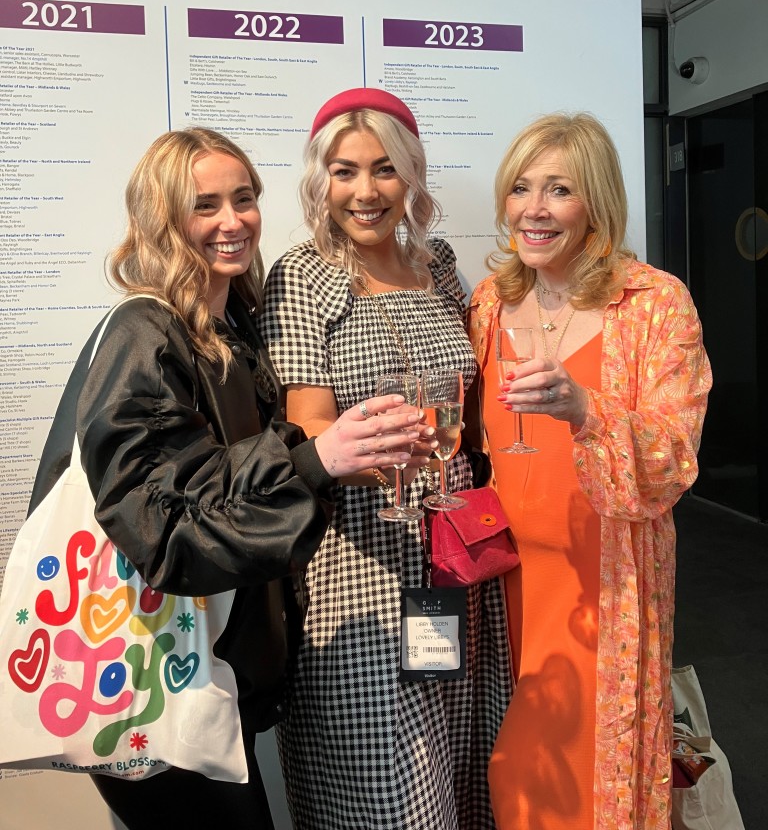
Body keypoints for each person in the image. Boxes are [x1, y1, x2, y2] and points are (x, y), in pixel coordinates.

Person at [27, 127, 423, 830]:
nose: (233, 220)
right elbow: (167, 533)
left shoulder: (232, 324)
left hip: (203, 675)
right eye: (205, 205)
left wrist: (342, 460)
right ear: (163, 218)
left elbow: (231, 484)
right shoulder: (144, 334)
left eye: (244, 199)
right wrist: (314, 459)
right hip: (150, 679)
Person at [258, 87, 512, 830]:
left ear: (411, 177)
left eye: (384, 170)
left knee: (459, 758)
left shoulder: (437, 264)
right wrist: (391, 463)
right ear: (320, 181)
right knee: (384, 785)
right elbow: (308, 430)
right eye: (344, 172)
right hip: (360, 556)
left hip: (453, 553)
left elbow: (474, 401)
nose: (365, 192)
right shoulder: (302, 274)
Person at [468, 112, 712, 830]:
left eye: (559, 190)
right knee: (514, 774)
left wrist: (585, 408)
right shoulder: (488, 302)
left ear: (597, 203)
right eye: (521, 188)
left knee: (588, 781)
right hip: (503, 582)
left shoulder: (653, 303)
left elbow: (674, 456)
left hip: (603, 584)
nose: (533, 209)